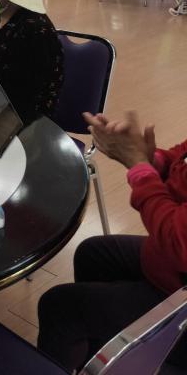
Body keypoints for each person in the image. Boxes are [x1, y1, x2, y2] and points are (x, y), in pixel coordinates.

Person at [37, 111, 187, 372]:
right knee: (92, 253)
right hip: (169, 267)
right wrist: (153, 159)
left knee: (58, 307)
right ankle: (100, 360)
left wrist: (141, 169)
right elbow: (181, 162)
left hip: (180, 290)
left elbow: (178, 240)